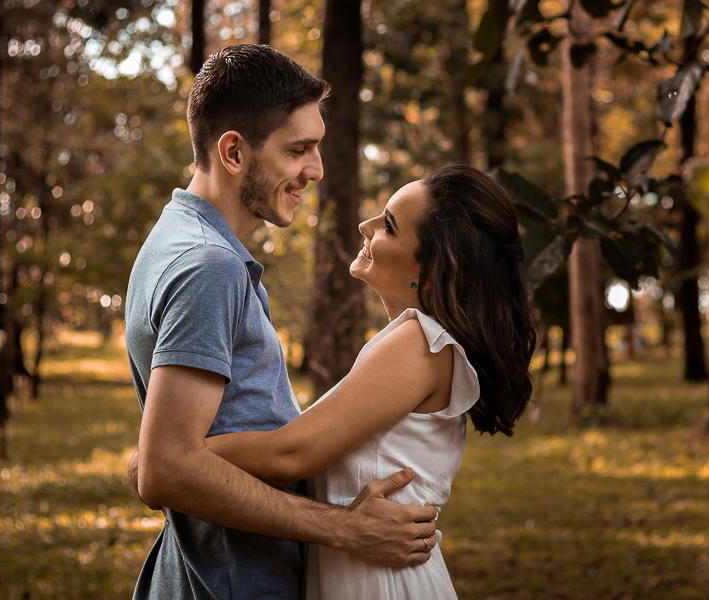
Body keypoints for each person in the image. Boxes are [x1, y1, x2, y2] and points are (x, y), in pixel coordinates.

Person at [124, 44, 437, 600]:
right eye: (298, 150)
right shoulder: (208, 266)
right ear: (234, 153)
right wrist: (346, 531)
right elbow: (167, 469)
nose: (314, 170)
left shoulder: (177, 239)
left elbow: (173, 448)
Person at [203, 163, 539, 599]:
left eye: (389, 226)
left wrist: (176, 458)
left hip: (382, 583)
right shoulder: (417, 342)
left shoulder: (420, 343)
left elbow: (289, 453)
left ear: (435, 271)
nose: (366, 225)